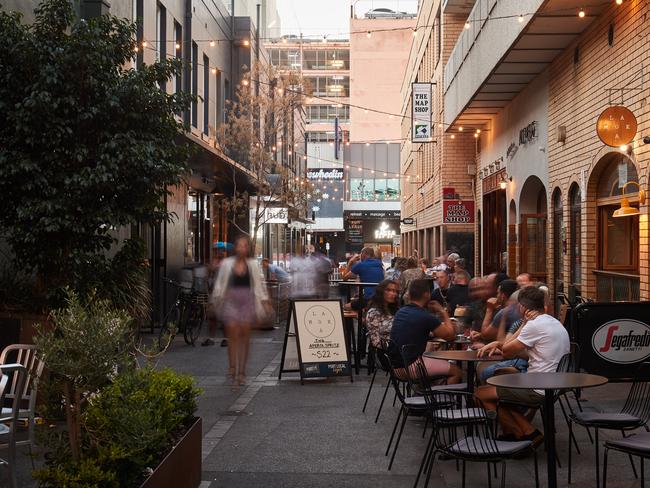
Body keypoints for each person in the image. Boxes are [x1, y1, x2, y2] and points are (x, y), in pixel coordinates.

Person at [475, 286, 570, 442]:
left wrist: (523, 324)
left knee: (480, 394)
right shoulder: (553, 322)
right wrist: (499, 344)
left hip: (539, 388)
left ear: (522, 307)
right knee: (502, 383)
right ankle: (523, 433)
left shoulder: (534, 325)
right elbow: (523, 352)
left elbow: (506, 352)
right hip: (555, 385)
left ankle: (523, 434)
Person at [211, 236, 269, 387]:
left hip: (247, 301)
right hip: (231, 301)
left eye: (245, 246)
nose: (242, 248)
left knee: (245, 337)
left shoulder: (253, 265)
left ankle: (242, 371)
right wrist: (215, 301)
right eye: (239, 246)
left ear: (248, 249)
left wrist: (265, 301)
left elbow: (259, 283)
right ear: (235, 248)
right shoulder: (227, 264)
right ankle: (232, 367)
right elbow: (219, 284)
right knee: (233, 336)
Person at [388, 280, 462, 384]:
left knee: (433, 356)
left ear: (409, 295)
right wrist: (442, 311)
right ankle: (445, 399)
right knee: (457, 371)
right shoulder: (425, 316)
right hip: (411, 366)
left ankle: (425, 393)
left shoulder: (401, 311)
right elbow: (450, 336)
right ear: (427, 294)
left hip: (395, 366)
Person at [479, 279, 519, 343]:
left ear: (502, 296)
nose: (497, 296)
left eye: (498, 293)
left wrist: (489, 309)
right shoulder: (521, 308)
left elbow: (486, 334)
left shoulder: (505, 311)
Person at [365, 279, 400, 348]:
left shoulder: (396, 309)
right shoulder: (373, 312)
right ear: (381, 291)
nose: (393, 294)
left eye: (395, 291)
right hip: (383, 351)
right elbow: (376, 341)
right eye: (389, 290)